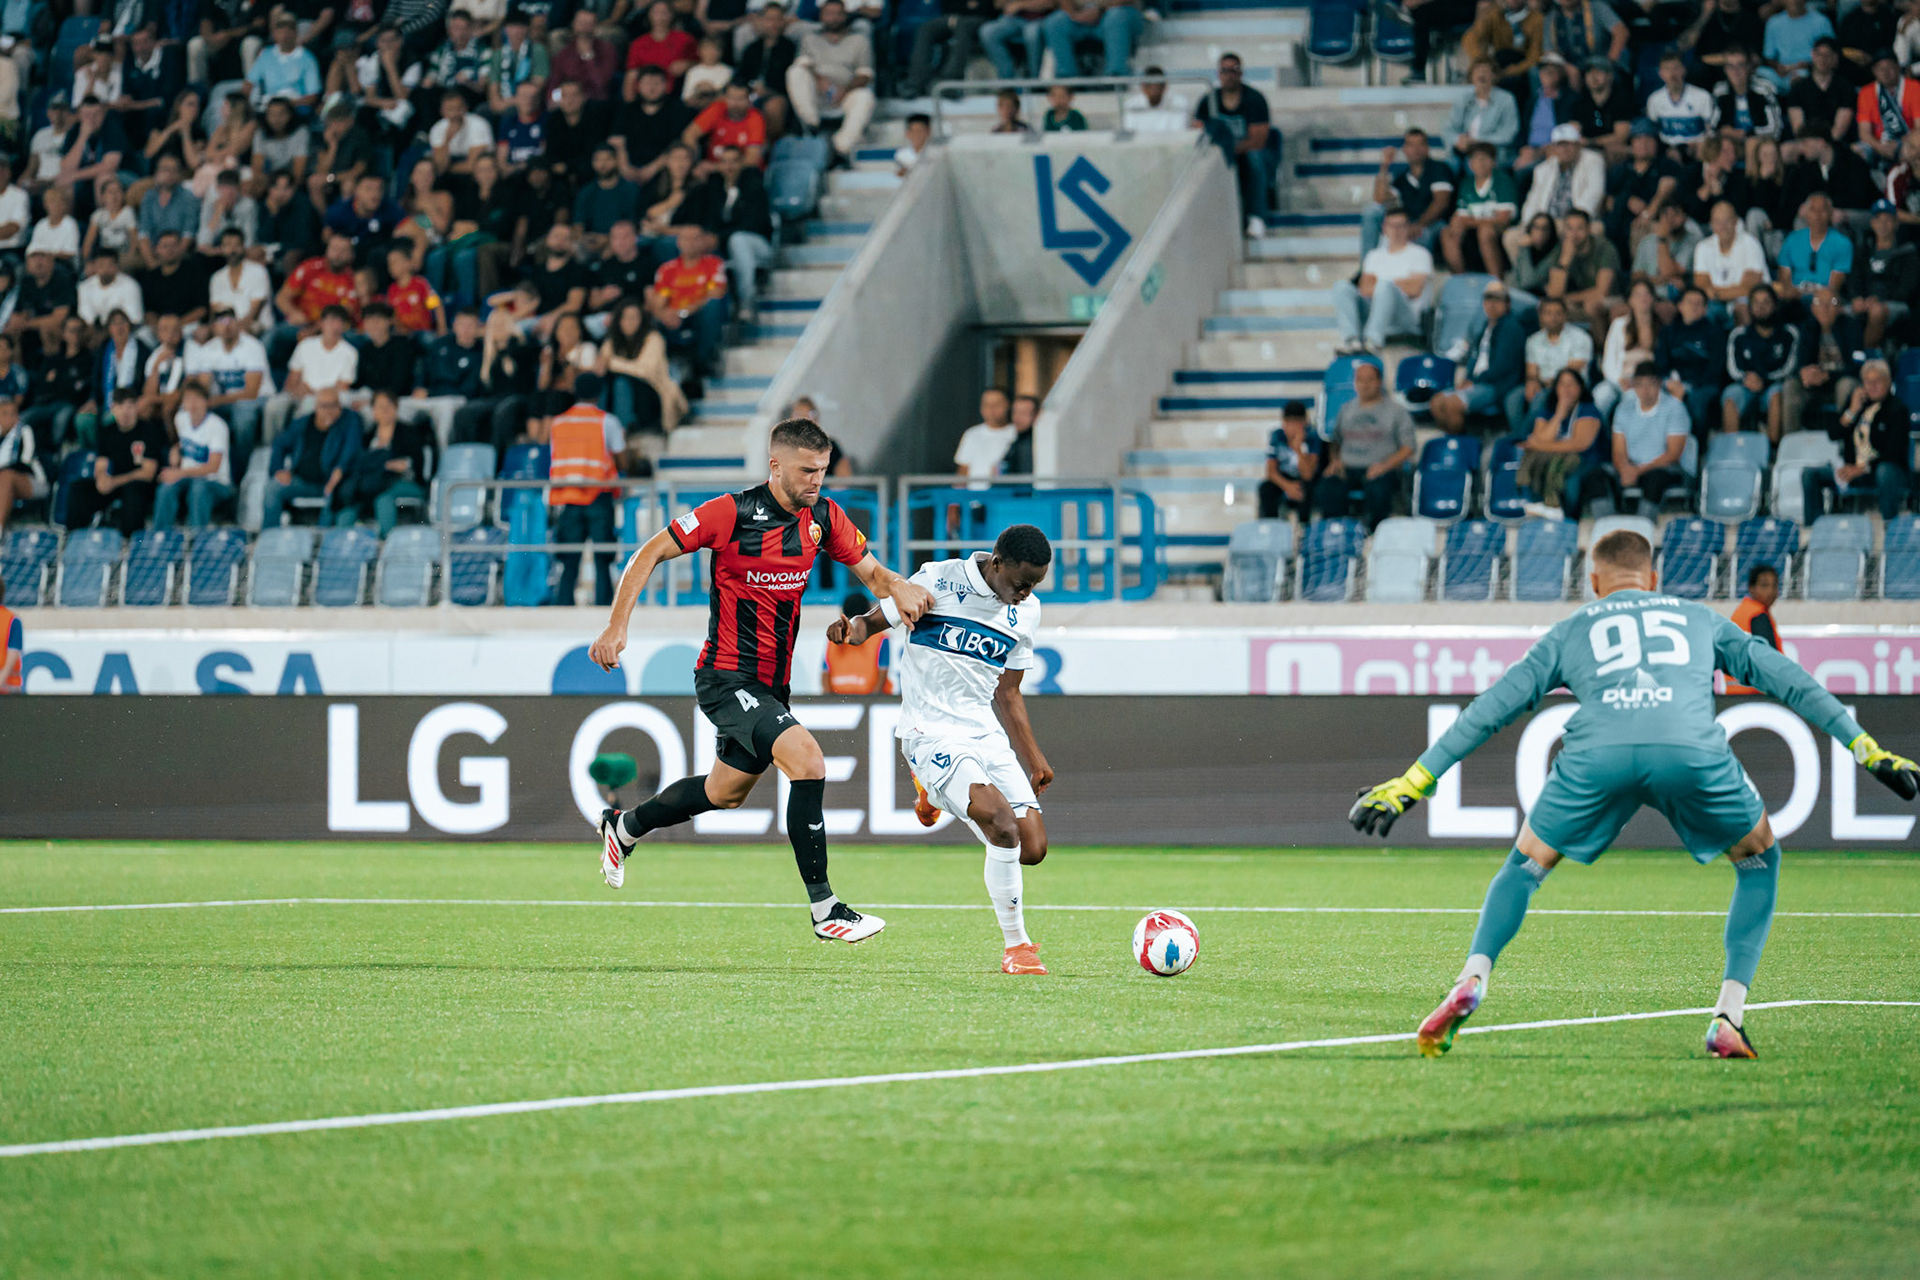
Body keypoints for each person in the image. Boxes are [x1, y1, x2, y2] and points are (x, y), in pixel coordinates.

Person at [1349, 527, 1919, 1060]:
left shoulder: (1572, 629)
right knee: (1759, 855)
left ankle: (1472, 976)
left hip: (1598, 755)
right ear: (1652, 577)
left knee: (1525, 863)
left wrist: (1413, 782)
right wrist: (1864, 746)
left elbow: (1491, 709)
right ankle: (1728, 1015)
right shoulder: (1699, 618)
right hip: (1688, 751)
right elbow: (1786, 678)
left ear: (1594, 583)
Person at [589, 416, 937, 944]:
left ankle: (625, 826)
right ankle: (826, 910)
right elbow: (650, 551)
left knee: (723, 792)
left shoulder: (824, 516)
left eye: (822, 470)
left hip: (771, 685)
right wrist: (617, 625)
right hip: (727, 676)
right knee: (808, 760)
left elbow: (871, 571)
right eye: (806, 471)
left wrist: (899, 586)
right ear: (775, 465)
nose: (816, 481)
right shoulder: (731, 512)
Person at [832, 525, 1055, 974]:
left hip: (983, 731)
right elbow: (871, 625)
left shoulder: (1026, 612)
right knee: (1002, 825)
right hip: (930, 730)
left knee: (1032, 847)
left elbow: (1008, 692)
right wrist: (850, 629)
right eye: (1021, 583)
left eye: (1035, 585)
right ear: (997, 564)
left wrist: (1035, 758)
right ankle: (1018, 947)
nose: (1027, 592)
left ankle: (932, 794)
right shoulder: (939, 580)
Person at [1803, 357, 1913, 521]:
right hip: (1852, 469)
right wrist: (1852, 411)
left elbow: (1894, 453)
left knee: (1885, 471)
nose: (1872, 386)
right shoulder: (1856, 403)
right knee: (1809, 474)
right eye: (1868, 382)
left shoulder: (1897, 410)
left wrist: (1863, 469)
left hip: (1881, 471)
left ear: (1888, 382)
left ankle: (1889, 524)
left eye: (1877, 381)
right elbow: (1833, 434)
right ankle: (1813, 529)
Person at [1314, 361, 1415, 528]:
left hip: (1382, 470)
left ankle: (1374, 533)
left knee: (1378, 491)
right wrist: (1335, 461)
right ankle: (1338, 531)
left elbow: (1408, 448)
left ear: (1379, 382)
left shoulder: (1397, 412)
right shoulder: (1346, 409)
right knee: (1327, 488)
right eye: (1360, 380)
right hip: (1348, 468)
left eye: (1370, 380)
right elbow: (1335, 442)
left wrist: (1384, 466)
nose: (1365, 385)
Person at [785, 0, 876, 163]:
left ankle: (840, 147)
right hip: (816, 93)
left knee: (865, 96)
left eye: (837, 14)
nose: (833, 18)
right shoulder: (809, 38)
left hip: (845, 93)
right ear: (821, 16)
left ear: (845, 16)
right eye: (828, 14)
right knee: (795, 72)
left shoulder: (859, 40)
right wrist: (820, 81)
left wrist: (844, 90)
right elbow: (803, 63)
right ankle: (812, 126)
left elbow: (865, 74)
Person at [1334, 207, 1433, 353]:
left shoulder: (1420, 254)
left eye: (1401, 226)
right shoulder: (1374, 256)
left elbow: (1414, 289)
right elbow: (1364, 290)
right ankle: (1352, 340)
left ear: (1408, 227)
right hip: (1375, 310)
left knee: (1385, 286)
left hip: (1406, 317)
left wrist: (1383, 285)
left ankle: (1373, 341)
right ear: (1384, 228)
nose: (1397, 230)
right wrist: (1400, 282)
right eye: (1392, 226)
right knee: (1341, 286)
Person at [1196, 54, 1274, 239]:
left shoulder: (1254, 99)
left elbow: (1259, 140)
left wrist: (1230, 148)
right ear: (1219, 73)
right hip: (1224, 152)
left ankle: (1256, 217)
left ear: (1240, 73)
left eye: (1234, 70)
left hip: (1250, 153)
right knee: (1203, 159)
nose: (1229, 75)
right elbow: (1197, 131)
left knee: (1255, 157)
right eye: (1225, 70)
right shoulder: (1209, 101)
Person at [1431, 282, 1526, 434]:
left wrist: (1473, 381)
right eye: (1488, 298)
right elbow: (1474, 359)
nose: (1492, 304)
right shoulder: (1485, 327)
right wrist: (1467, 379)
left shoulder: (1510, 328)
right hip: (1480, 381)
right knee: (1436, 402)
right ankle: (1451, 441)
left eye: (1497, 299)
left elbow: (1501, 367)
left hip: (1496, 386)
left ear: (1507, 304)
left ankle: (1462, 445)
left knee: (1451, 404)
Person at [65, 388, 162, 533]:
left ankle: (130, 542)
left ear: (136, 408)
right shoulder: (108, 431)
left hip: (140, 486)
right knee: (79, 488)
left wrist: (115, 481)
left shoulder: (148, 431)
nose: (125, 412)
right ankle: (75, 538)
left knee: (133, 492)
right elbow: (101, 464)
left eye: (129, 406)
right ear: (113, 409)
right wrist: (102, 479)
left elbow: (148, 473)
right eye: (120, 406)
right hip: (116, 483)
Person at [262, 388, 361, 527]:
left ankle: (323, 540)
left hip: (333, 482)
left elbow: (350, 452)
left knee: (336, 494)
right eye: (325, 406)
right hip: (302, 480)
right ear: (316, 406)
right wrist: (278, 469)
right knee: (272, 488)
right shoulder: (303, 423)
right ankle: (269, 537)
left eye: (335, 405)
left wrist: (335, 478)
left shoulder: (349, 421)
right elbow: (279, 443)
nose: (330, 410)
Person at [337, 390, 427, 536]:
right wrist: (382, 465)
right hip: (371, 483)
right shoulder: (367, 436)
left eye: (388, 405)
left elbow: (417, 464)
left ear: (396, 407)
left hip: (402, 481)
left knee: (383, 499)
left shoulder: (408, 432)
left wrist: (394, 466)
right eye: (379, 406)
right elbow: (358, 463)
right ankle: (340, 544)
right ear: (373, 410)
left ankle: (385, 543)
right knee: (350, 505)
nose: (384, 410)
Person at [1517, 366, 1604, 517]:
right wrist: (1559, 414)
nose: (1566, 389)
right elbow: (1541, 437)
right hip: (1556, 455)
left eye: (1571, 384)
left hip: (1586, 459)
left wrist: (1540, 445)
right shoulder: (1548, 409)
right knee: (1534, 458)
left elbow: (1579, 444)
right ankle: (1539, 503)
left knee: (1566, 471)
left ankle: (1561, 510)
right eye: (1562, 384)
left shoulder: (1588, 409)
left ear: (1580, 388)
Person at [1611, 361, 1693, 510]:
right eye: (1640, 384)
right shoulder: (1624, 408)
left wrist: (1638, 471)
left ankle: (1646, 523)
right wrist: (1625, 469)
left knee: (1654, 479)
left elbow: (1673, 454)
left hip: (1666, 468)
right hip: (1632, 467)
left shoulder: (1675, 408)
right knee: (1598, 476)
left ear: (1660, 384)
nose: (1645, 390)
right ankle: (1608, 524)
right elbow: (1618, 451)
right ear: (1633, 386)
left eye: (1651, 384)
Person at [154, 381, 234, 529]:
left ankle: (198, 539)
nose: (192, 403)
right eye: (188, 398)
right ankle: (160, 536)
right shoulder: (181, 418)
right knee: (166, 487)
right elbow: (181, 442)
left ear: (206, 401)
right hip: (188, 476)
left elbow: (213, 467)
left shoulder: (217, 426)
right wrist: (175, 450)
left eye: (197, 398)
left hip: (216, 481)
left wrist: (179, 472)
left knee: (199, 488)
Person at [1363, 128, 1453, 260]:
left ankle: (1418, 273)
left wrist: (1418, 225)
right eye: (1411, 144)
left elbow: (1441, 203)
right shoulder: (1402, 178)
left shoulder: (1439, 169)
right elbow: (1379, 199)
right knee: (1371, 212)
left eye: (1420, 144)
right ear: (1404, 149)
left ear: (1427, 148)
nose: (1416, 149)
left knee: (1422, 233)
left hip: (1433, 224)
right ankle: (1366, 269)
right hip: (1408, 224)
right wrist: (1384, 166)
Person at [1723, 284, 1799, 440]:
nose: (1761, 307)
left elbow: (1789, 367)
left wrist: (1763, 380)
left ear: (1775, 305)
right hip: (1746, 386)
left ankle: (1773, 450)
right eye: (1756, 303)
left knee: (1777, 394)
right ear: (1750, 307)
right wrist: (1745, 378)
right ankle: (1731, 450)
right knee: (1731, 394)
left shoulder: (1789, 333)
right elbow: (1733, 368)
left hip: (1773, 385)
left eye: (1766, 302)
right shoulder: (1739, 334)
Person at [1655, 285, 1729, 437]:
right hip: (1672, 381)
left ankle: (1697, 448)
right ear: (1680, 306)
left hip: (1702, 384)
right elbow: (1661, 363)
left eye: (1699, 304)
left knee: (1697, 400)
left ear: (1705, 309)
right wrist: (1669, 382)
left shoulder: (1714, 332)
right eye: (1690, 302)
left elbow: (1715, 368)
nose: (1694, 307)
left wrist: (1689, 387)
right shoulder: (1668, 331)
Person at [1442, 142, 1518, 275]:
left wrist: (1471, 221)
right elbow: (1461, 217)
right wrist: (1459, 223)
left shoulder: (1503, 181)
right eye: (1475, 159)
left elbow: (1503, 218)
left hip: (1501, 228)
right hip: (1475, 228)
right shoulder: (1466, 183)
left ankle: (1496, 281)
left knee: (1485, 231)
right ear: (1470, 163)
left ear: (1493, 162)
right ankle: (1461, 278)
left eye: (1484, 159)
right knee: (1447, 232)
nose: (1479, 163)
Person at [1854, 199, 1920, 347]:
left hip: (1896, 304)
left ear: (1896, 223)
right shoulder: (1864, 250)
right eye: (1878, 219)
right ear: (1872, 223)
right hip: (1865, 302)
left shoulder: (1907, 252)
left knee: (1877, 311)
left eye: (1888, 220)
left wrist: (1877, 300)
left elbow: (1907, 288)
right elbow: (1854, 279)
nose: (1883, 224)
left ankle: (1863, 354)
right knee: (1831, 307)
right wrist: (1857, 298)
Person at [1724, 562, 1783, 696]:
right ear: (1752, 588)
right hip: (1755, 693)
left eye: (1775, 586)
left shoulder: (1740, 613)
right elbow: (1769, 659)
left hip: (1733, 691)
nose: (1771, 591)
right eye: (1764, 586)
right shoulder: (1757, 615)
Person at [1447, 60, 1521, 166]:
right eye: (1477, 71)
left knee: (1475, 166)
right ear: (1471, 76)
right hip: (1464, 151)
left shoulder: (1506, 99)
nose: (1481, 75)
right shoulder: (1463, 99)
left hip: (1493, 153)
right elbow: (1448, 129)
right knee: (1448, 166)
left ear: (1494, 76)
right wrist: (1458, 140)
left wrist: (1477, 141)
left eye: (1486, 71)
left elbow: (1508, 133)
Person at [1257, 400, 1322, 518]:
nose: (1292, 428)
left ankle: (1304, 527)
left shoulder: (1313, 437)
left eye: (1296, 423)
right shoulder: (1277, 436)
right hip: (1285, 478)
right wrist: (1287, 486)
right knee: (1266, 488)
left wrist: (1298, 450)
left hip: (1306, 480)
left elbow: (1308, 475)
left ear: (1304, 423)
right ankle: (1270, 526)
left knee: (1307, 489)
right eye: (1288, 423)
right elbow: (1271, 471)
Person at [822, 591, 893, 696]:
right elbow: (881, 676)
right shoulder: (880, 638)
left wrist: (829, 703)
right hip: (868, 700)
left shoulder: (835, 638)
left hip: (840, 701)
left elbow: (825, 676)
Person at [954, 387, 1014, 480]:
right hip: (974, 493)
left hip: (1004, 492)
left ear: (1008, 405)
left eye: (997, 404)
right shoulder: (972, 434)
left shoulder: (1016, 433)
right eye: (986, 405)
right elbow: (963, 469)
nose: (991, 409)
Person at [0, 572, 18, 692]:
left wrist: (1, 680)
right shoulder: (11, 619)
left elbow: (13, 652)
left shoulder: (11, 620)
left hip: (7, 686)